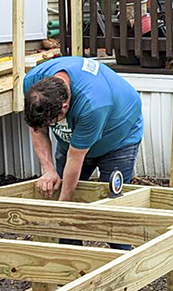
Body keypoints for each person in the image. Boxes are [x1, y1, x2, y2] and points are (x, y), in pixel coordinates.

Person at [23, 56, 143, 248]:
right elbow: (37, 128)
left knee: (112, 207)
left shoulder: (92, 103)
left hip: (118, 136)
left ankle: (122, 264)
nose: (50, 126)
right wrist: (48, 170)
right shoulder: (33, 85)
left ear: (65, 107)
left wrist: (63, 208)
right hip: (74, 139)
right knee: (60, 190)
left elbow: (75, 156)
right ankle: (72, 264)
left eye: (52, 121)